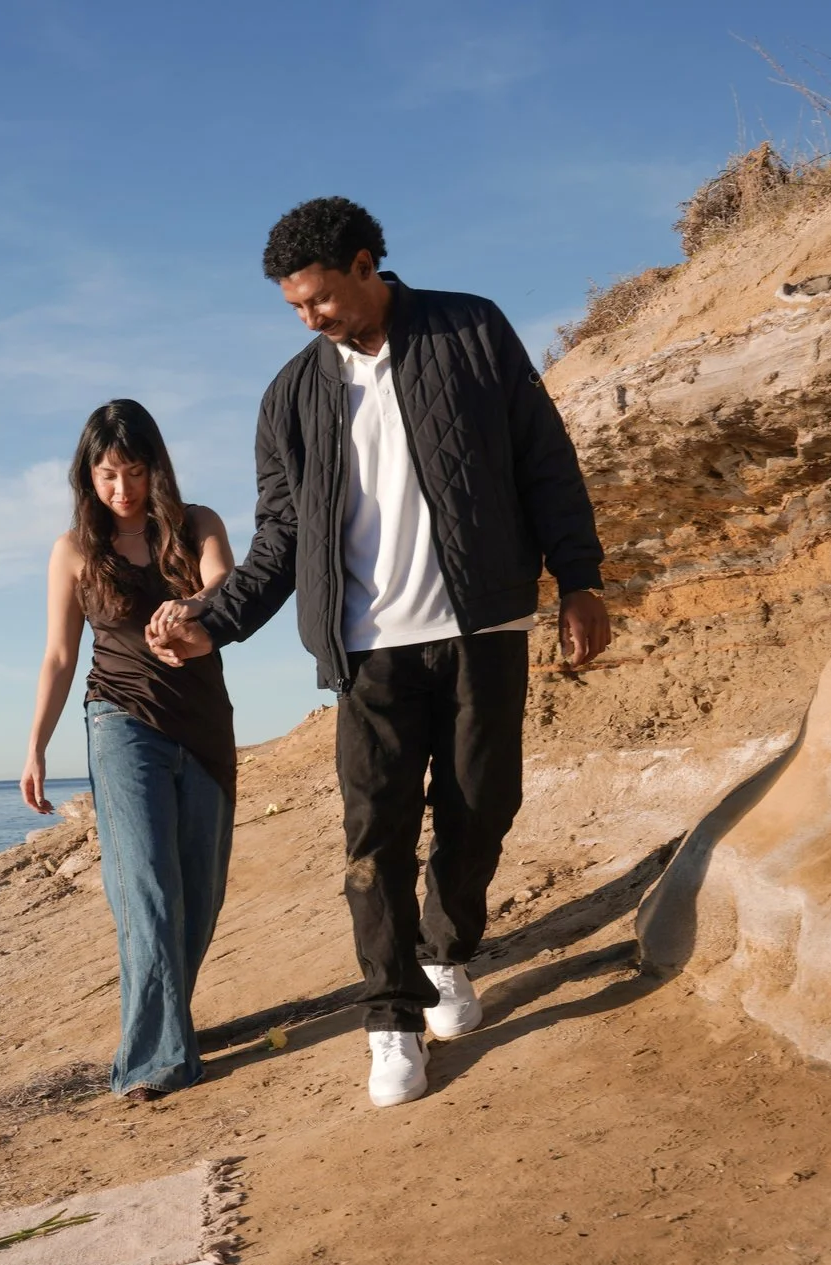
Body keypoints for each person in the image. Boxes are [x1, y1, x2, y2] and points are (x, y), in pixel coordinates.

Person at [147, 196, 610, 1110]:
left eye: (318, 298)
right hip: (367, 651)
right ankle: (391, 1017)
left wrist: (580, 578)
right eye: (293, 308)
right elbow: (279, 537)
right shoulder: (290, 395)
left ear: (366, 266)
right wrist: (217, 616)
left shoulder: (472, 328)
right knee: (377, 835)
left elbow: (543, 458)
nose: (308, 318)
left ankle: (446, 955)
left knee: (483, 806)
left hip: (482, 625)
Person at [23, 400, 239, 1102]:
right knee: (147, 888)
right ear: (87, 475)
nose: (122, 488)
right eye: (108, 474)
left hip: (202, 724)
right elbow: (59, 654)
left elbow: (225, 586)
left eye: (135, 471)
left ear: (156, 468)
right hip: (119, 721)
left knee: (199, 894)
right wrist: (36, 746)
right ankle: (152, 1062)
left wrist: (192, 608)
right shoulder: (75, 550)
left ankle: (168, 1021)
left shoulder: (197, 525)